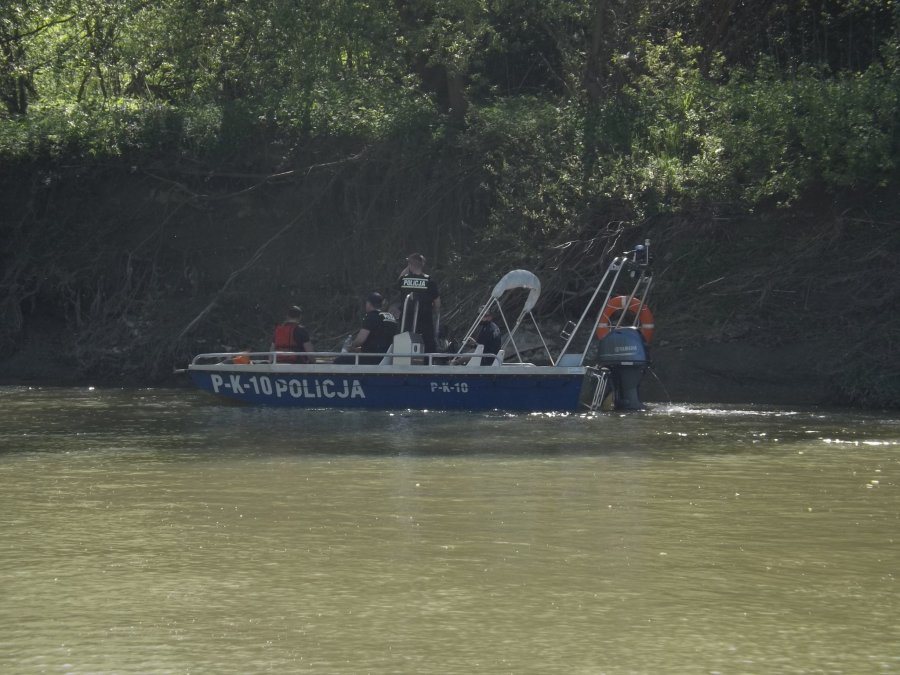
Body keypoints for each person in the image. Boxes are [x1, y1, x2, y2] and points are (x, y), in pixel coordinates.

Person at [335, 292, 399, 365]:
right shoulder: (390, 317)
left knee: (339, 361)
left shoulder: (371, 316)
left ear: (368, 303)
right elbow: (380, 341)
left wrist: (350, 346)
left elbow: (360, 340)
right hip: (387, 358)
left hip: (372, 359)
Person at [398, 253, 441, 354]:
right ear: (422, 265)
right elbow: (437, 303)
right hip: (425, 320)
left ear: (410, 265)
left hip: (407, 319)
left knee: (405, 343)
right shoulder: (429, 280)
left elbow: (399, 280)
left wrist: (409, 266)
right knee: (428, 345)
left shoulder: (404, 280)